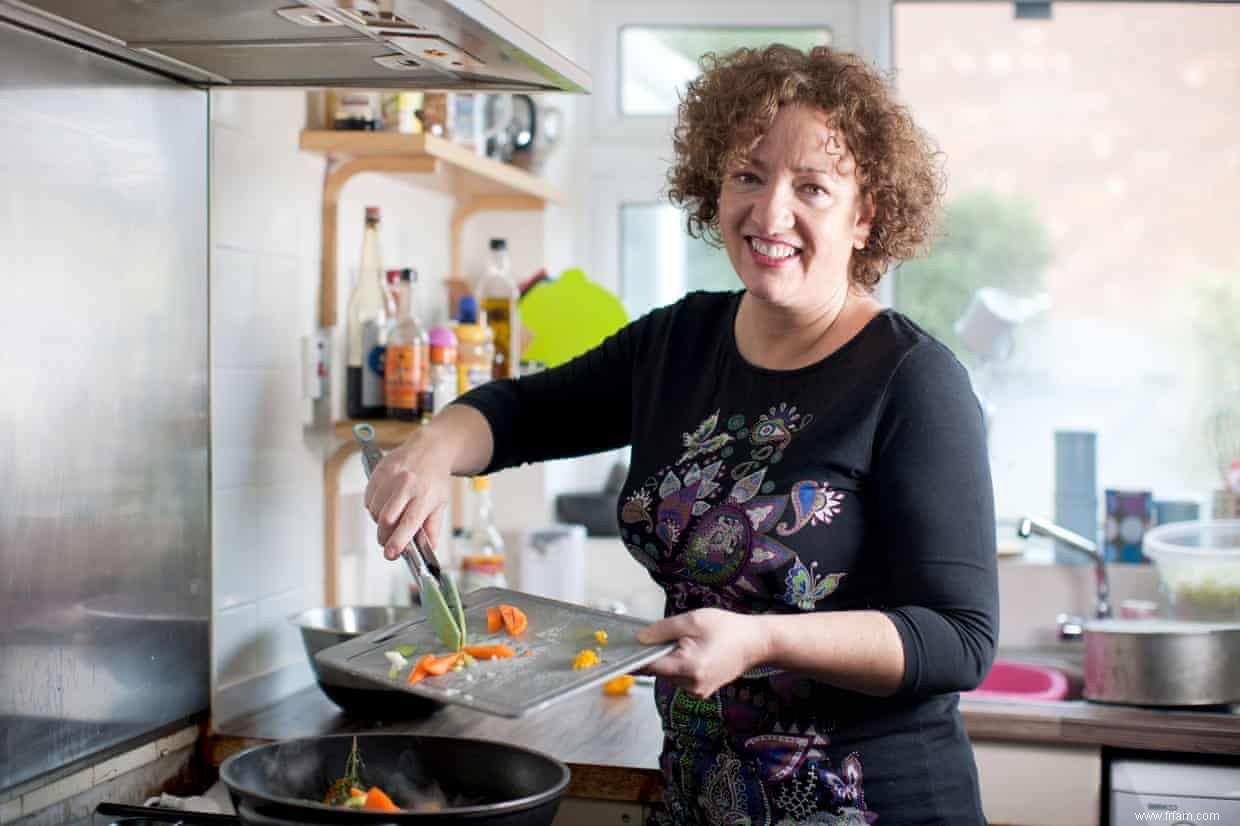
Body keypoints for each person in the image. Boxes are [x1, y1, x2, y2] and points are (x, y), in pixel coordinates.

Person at [364, 44, 998, 826]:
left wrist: (760, 642)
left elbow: (959, 639)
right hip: (701, 801)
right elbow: (522, 413)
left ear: (865, 214)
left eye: (812, 188)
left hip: (869, 806)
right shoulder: (680, 342)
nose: (770, 214)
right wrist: (430, 451)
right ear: (713, 185)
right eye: (748, 175)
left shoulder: (912, 381)